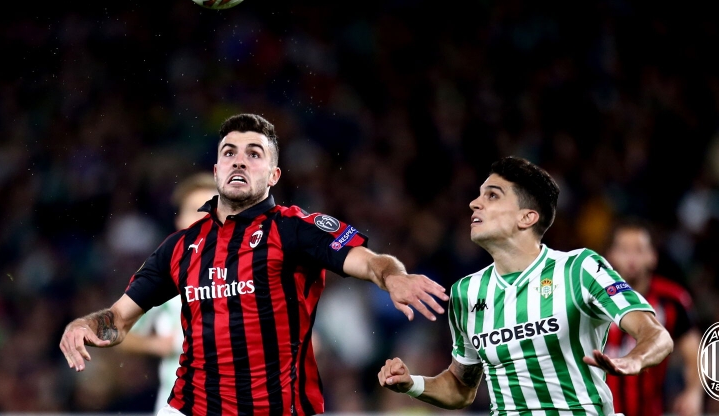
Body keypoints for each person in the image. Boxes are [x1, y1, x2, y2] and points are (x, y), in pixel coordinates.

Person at [59, 113, 449, 416]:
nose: (239, 162)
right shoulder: (179, 248)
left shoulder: (295, 229)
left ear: (274, 174)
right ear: (217, 171)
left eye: (254, 154)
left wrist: (393, 277)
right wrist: (86, 325)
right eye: (229, 153)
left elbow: (368, 261)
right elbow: (119, 319)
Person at [378, 156, 674, 415]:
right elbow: (460, 388)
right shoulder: (466, 292)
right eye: (479, 195)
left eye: (492, 196)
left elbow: (657, 335)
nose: (474, 203)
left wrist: (635, 360)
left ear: (527, 217)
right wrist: (411, 383)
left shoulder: (579, 269)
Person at [116, 172, 218, 413]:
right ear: (180, 220)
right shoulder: (163, 276)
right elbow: (119, 331)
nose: (204, 216)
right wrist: (158, 344)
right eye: (195, 209)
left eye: (212, 209)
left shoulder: (253, 271)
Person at [602, 218, 703, 416]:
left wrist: (693, 393)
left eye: (639, 250)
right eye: (624, 250)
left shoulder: (671, 300)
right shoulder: (592, 300)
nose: (631, 259)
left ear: (652, 256)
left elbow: (695, 354)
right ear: (611, 256)